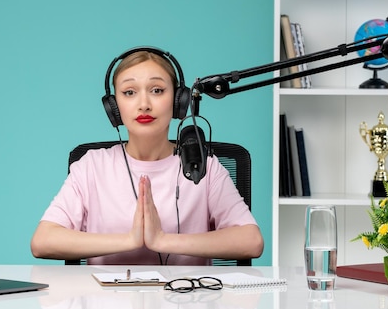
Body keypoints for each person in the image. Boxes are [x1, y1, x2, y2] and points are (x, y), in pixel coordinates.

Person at [30, 47, 263, 265]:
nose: (143, 104)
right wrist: (130, 240)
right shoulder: (91, 166)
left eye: (157, 90)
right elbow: (43, 242)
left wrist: (162, 240)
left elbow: (251, 241)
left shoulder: (203, 166)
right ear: (114, 106)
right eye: (129, 92)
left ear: (178, 101)